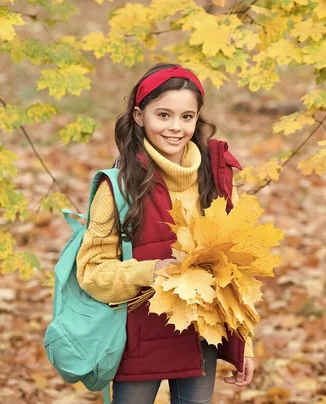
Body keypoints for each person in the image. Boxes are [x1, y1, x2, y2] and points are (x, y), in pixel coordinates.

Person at [76, 63, 255, 404]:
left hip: (200, 337)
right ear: (140, 116)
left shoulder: (215, 178)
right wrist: (151, 271)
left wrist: (245, 342)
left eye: (187, 117)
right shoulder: (118, 187)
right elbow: (91, 272)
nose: (176, 127)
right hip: (140, 339)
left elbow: (235, 272)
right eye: (163, 115)